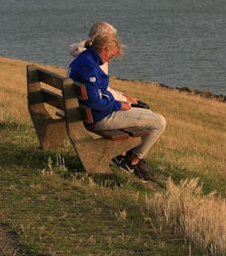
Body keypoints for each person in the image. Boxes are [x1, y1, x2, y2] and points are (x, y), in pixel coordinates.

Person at [68, 28, 166, 180]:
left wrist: (121, 100)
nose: (110, 60)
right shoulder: (90, 67)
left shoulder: (84, 60)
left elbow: (97, 93)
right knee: (159, 122)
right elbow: (94, 101)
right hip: (98, 118)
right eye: (111, 55)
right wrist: (119, 105)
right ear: (104, 49)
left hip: (88, 114)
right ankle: (132, 162)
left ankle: (124, 155)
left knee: (148, 114)